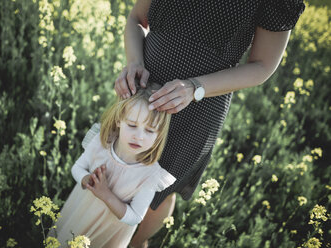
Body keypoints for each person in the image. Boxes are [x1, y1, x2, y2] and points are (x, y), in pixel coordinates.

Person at [114, 0, 306, 247]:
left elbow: (263, 66)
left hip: (198, 105)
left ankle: (136, 243)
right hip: (140, 91)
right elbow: (136, 20)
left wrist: (195, 87)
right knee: (116, 166)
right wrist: (134, 64)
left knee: (161, 188)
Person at [48, 83, 176, 248]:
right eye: (132, 125)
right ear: (118, 121)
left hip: (107, 233)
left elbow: (135, 217)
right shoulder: (101, 143)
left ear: (159, 135)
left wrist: (105, 194)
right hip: (81, 214)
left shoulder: (149, 175)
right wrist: (86, 179)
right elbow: (77, 168)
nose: (139, 137)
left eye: (150, 131)